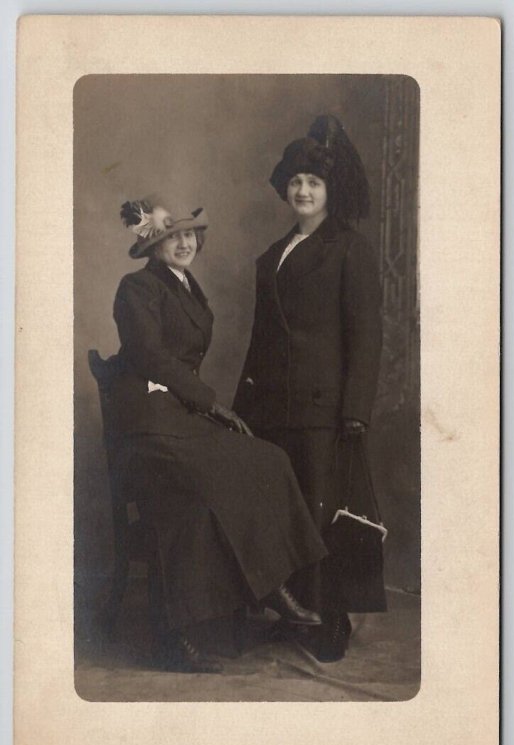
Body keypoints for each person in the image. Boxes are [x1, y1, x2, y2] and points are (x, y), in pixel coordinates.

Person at [109, 198, 328, 673]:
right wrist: (210, 402)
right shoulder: (137, 287)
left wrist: (203, 407)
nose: (184, 242)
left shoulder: (187, 286)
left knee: (265, 459)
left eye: (188, 234)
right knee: (210, 483)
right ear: (153, 245)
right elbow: (150, 355)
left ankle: (272, 584)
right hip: (146, 421)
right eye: (171, 236)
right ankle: (184, 635)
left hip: (181, 415)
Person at [234, 115, 386, 662]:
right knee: (286, 513)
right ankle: (296, 612)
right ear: (285, 186)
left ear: (330, 191)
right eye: (296, 181)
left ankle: (332, 620)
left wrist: (356, 410)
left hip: (325, 409)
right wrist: (241, 408)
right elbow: (259, 340)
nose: (302, 190)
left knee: (325, 514)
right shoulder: (274, 254)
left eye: (314, 183)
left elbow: (366, 335)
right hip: (275, 407)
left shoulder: (350, 248)